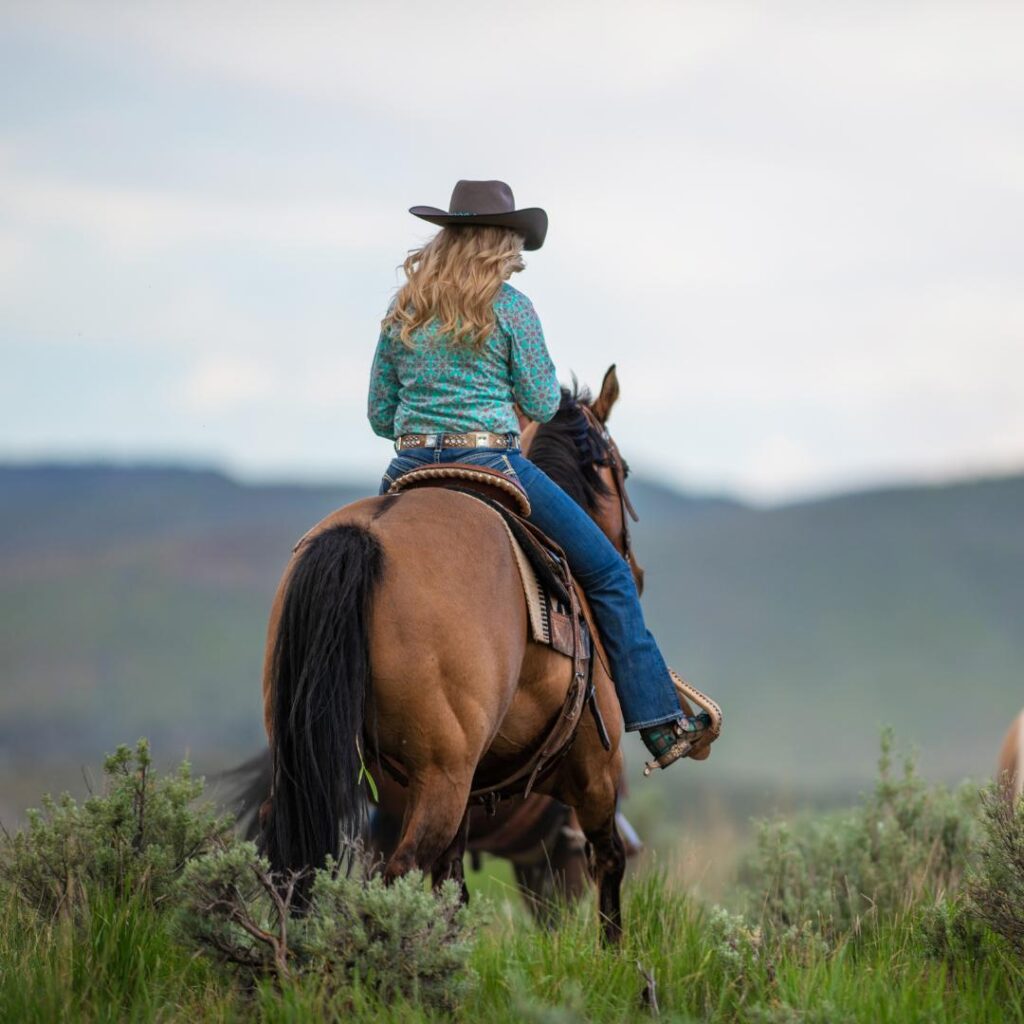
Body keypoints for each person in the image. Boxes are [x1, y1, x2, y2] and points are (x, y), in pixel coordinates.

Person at [366, 179, 707, 769]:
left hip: (409, 469)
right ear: (500, 242)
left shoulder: (404, 308)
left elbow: (378, 415)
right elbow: (544, 402)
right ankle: (659, 722)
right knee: (607, 575)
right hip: (492, 464)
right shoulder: (512, 309)